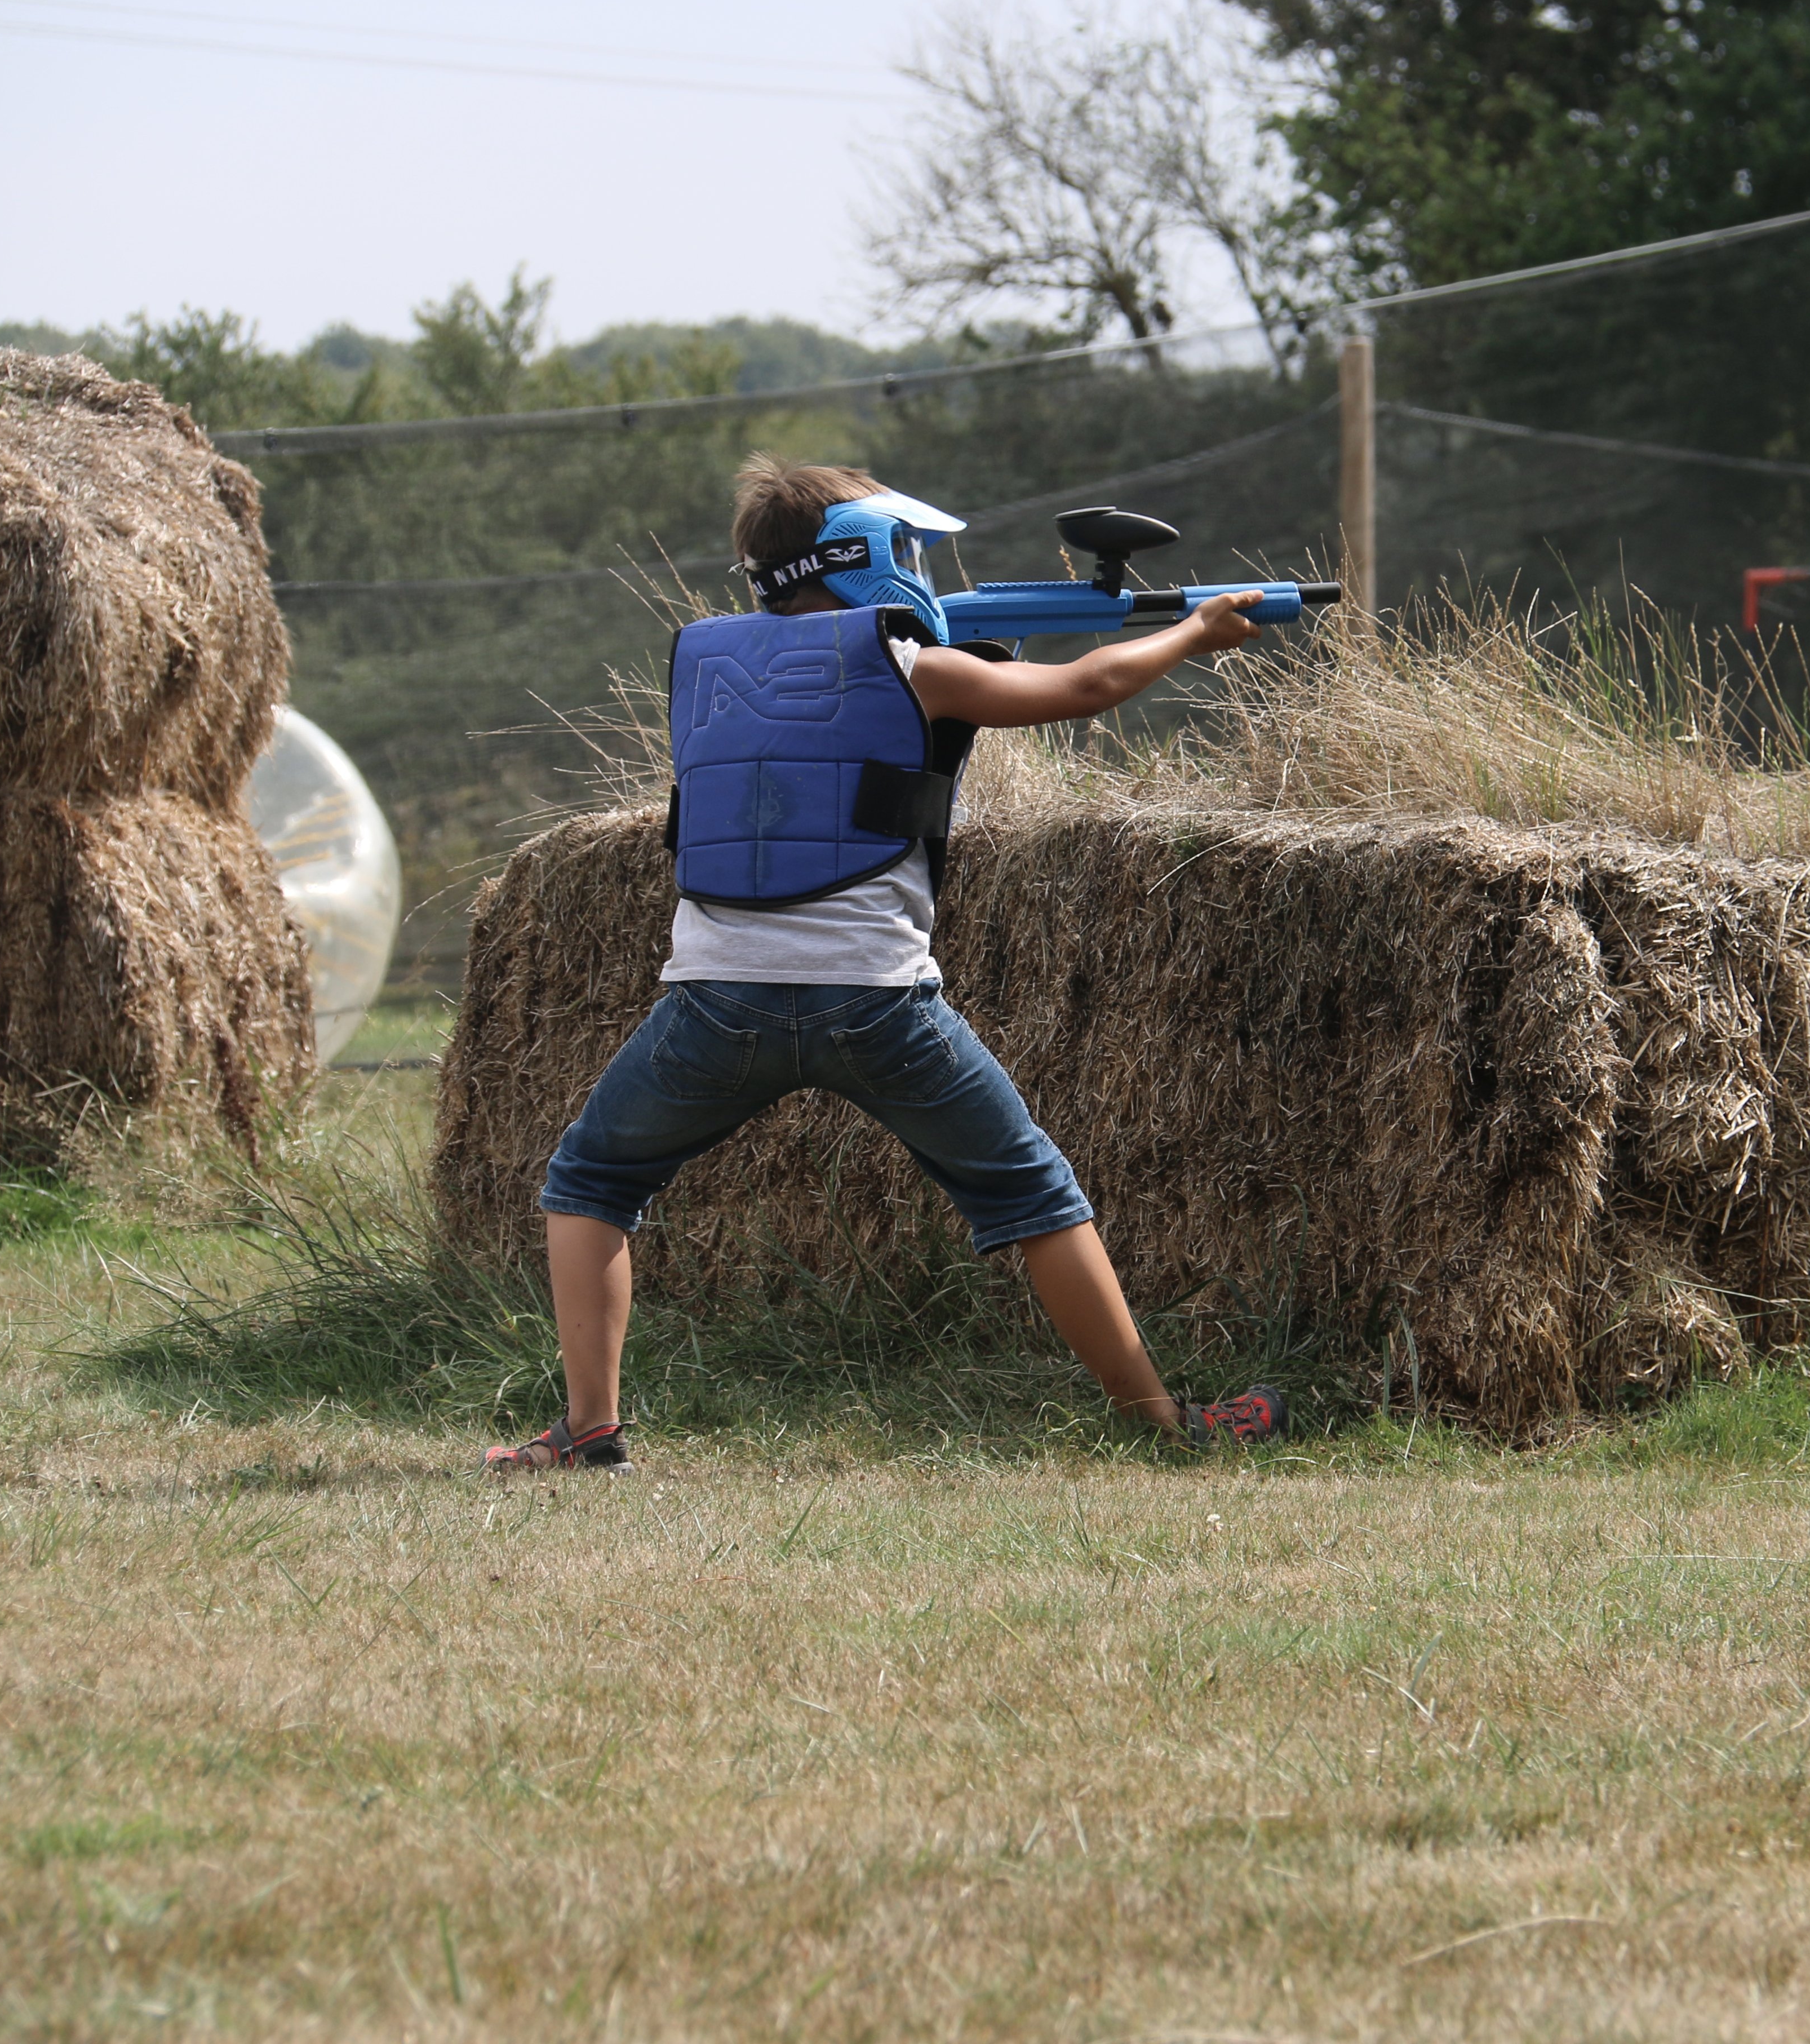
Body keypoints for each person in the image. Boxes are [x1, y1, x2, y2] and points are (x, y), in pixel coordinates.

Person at [486, 455, 1288, 1473]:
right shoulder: (918, 668)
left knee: (592, 1181)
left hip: (715, 1002)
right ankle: (1160, 1424)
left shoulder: (704, 668)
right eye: (903, 547)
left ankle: (589, 1433)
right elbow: (1088, 687)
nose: (916, 564)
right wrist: (1196, 631)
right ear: (862, 555)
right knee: (1034, 1197)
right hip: (879, 1003)